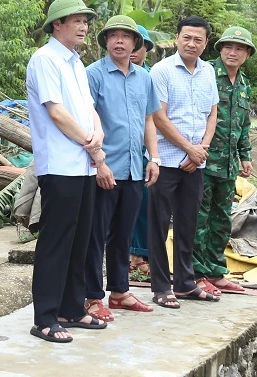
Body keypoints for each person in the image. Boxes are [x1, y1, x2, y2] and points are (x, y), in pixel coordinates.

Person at [26, 0, 107, 343]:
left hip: (84, 166)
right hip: (60, 164)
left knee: (80, 240)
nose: (83, 26)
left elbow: (88, 108)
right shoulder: (45, 59)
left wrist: (97, 134)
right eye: (76, 20)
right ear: (57, 24)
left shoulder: (74, 61)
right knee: (56, 242)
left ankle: (72, 308)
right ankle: (44, 317)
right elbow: (56, 112)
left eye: (85, 21)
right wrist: (91, 144)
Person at [83, 16, 161, 321]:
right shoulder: (94, 75)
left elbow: (148, 120)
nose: (119, 41)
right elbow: (86, 119)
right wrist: (98, 162)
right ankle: (92, 297)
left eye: (125, 37)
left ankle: (119, 292)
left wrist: (153, 158)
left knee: (123, 234)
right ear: (105, 42)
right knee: (96, 234)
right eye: (113, 36)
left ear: (135, 43)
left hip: (134, 169)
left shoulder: (144, 78)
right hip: (105, 169)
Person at [148, 16, 220, 308]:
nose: (192, 43)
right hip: (165, 161)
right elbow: (158, 117)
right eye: (186, 37)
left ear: (205, 43)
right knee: (159, 224)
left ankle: (186, 283)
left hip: (196, 161)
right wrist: (188, 149)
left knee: (189, 224)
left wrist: (200, 149)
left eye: (198, 39)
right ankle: (161, 287)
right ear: (176, 38)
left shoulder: (208, 72)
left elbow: (212, 113)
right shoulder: (161, 71)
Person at [192, 26, 256, 296]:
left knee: (221, 219)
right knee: (199, 218)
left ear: (247, 54)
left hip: (228, 165)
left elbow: (243, 124)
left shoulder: (243, 83)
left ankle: (216, 271)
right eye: (228, 47)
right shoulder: (205, 73)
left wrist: (245, 156)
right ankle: (195, 273)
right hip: (204, 161)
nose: (233, 52)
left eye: (240, 48)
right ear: (219, 49)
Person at [128, 24, 155, 276]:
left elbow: (153, 118)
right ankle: (130, 254)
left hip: (146, 152)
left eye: (140, 44)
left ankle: (141, 253)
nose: (134, 50)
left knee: (146, 205)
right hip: (118, 153)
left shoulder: (150, 77)